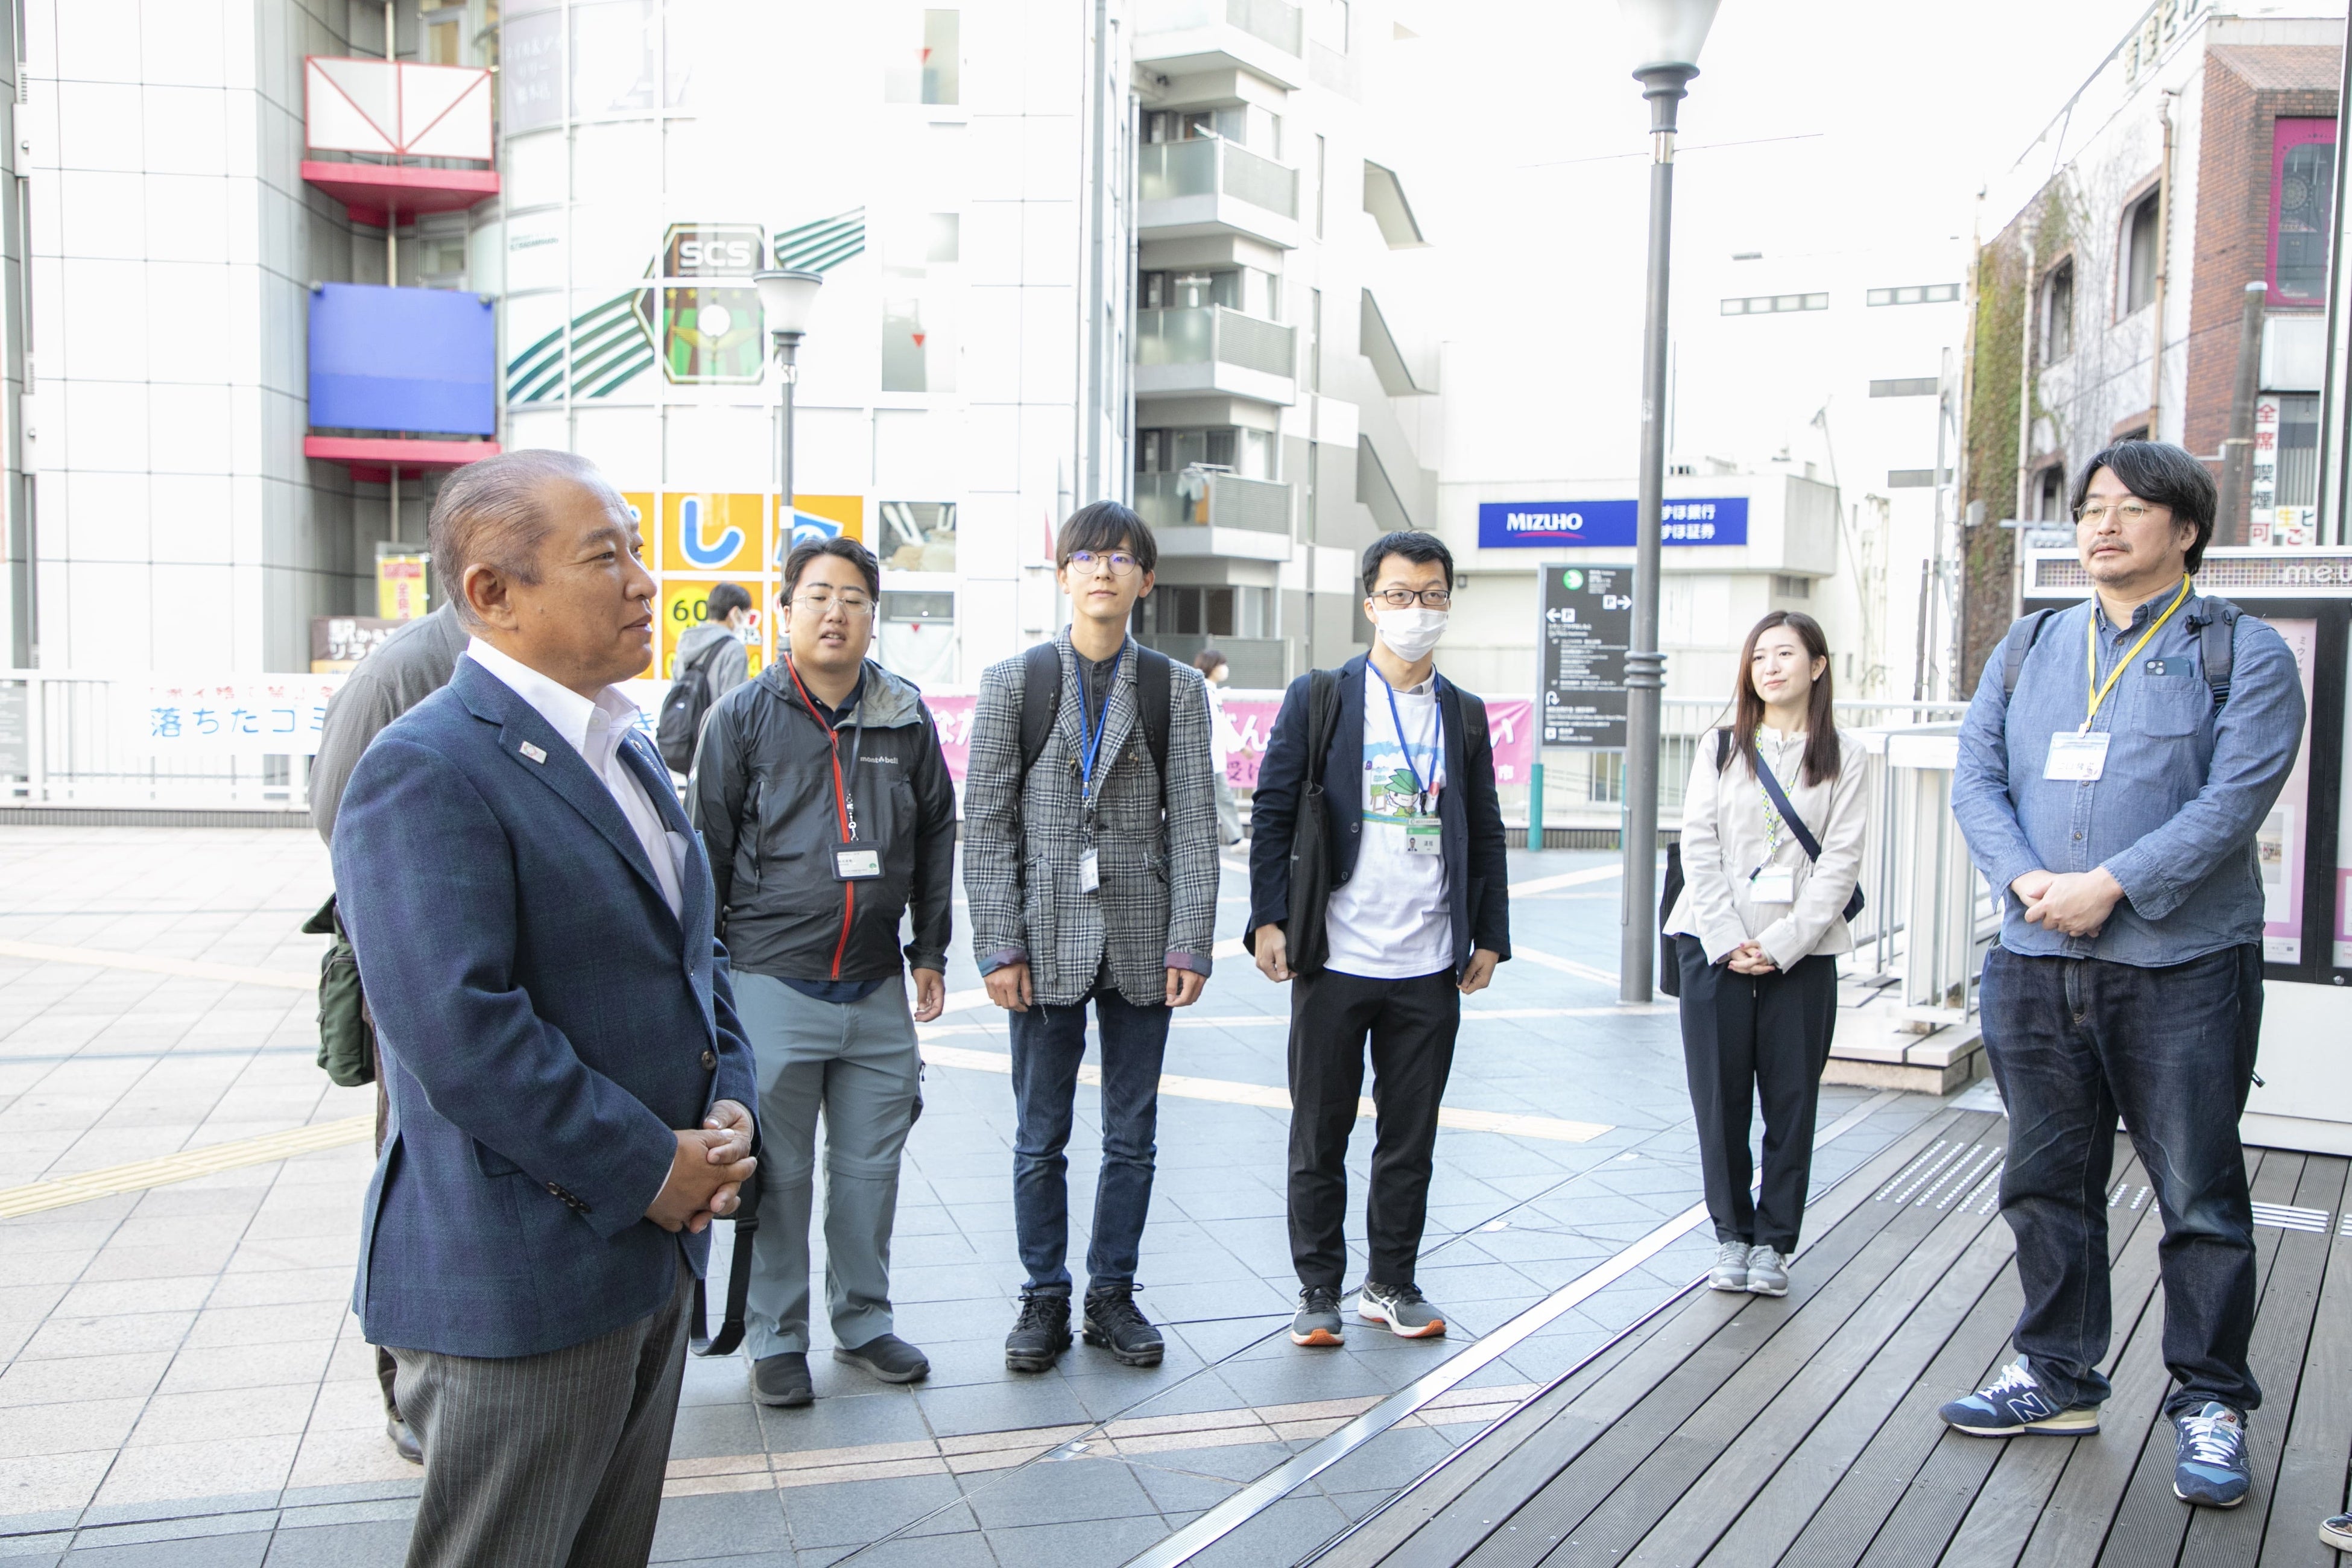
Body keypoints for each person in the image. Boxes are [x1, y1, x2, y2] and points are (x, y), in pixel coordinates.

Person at [332, 449, 759, 1568]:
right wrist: (649, 1167)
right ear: (491, 594)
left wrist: (730, 1104)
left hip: (649, 1258)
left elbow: (693, 957)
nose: (642, 580)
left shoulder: (621, 745)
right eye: (603, 555)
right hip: (526, 1277)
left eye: (638, 548)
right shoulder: (426, 768)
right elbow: (459, 1034)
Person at [1944, 440, 2304, 1513]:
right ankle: (2056, 1372)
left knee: (2198, 1192)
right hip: (2034, 957)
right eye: (2090, 507)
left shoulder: (2243, 653)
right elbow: (1977, 776)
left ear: (2185, 529)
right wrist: (2026, 882)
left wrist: (2109, 882)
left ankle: (2209, 1398)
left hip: (2181, 964)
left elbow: (2234, 801)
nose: (2102, 525)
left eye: (2130, 508)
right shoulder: (2030, 644)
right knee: (2045, 1184)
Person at [688, 536, 956, 1409]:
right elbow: (710, 852)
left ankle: (865, 1320)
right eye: (817, 596)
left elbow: (937, 840)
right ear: (785, 610)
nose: (835, 612)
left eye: (853, 597)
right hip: (770, 977)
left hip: (876, 980)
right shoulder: (742, 717)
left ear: (875, 616)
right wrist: (711, 979)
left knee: (871, 1171)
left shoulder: (906, 718)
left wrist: (930, 951)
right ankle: (777, 1337)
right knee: (782, 1172)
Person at [961, 501, 1220, 1373]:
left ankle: (1112, 1293)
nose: (1102, 569)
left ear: (1146, 580)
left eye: (1121, 557)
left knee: (1133, 1135)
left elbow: (1192, 825)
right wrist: (998, 946)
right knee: (1040, 1136)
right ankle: (1043, 1296)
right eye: (1086, 556)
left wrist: (1192, 942)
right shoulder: (1015, 683)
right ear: (1062, 574)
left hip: (1145, 939)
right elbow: (987, 826)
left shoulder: (1175, 688)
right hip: (1042, 941)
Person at [1246, 530, 1510, 1349]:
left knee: (1411, 1136)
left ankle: (1390, 1281)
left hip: (1430, 962)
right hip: (1336, 954)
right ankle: (1317, 1287)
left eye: (1431, 595)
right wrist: (1267, 919)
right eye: (1399, 595)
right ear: (1369, 604)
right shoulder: (1321, 697)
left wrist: (1490, 935)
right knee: (1319, 1132)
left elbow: (1488, 831)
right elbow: (1274, 810)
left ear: (1448, 603)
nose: (1415, 610)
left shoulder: (1463, 714)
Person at [309, 592, 468, 1466]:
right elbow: (341, 815)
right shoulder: (401, 669)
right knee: (412, 1179)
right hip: (414, 976)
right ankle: (402, 1389)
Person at [1665, 611, 1864, 1300]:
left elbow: (1840, 866)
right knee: (1718, 1100)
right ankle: (1732, 1236)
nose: (1770, 667)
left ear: (1817, 665)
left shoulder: (1847, 755)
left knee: (1791, 1099)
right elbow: (1698, 845)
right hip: (1713, 947)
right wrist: (1727, 940)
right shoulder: (1719, 746)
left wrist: (1780, 946)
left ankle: (1775, 1241)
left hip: (1802, 956)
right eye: (1759, 657)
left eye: (1786, 654)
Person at [1194, 646, 1245, 846]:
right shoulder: (1207, 692)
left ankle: (1235, 839)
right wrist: (1241, 746)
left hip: (1211, 758)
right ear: (1212, 667)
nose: (1225, 669)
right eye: (1222, 664)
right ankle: (1236, 839)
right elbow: (1221, 725)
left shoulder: (1209, 691)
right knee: (1223, 798)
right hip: (1209, 758)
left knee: (1217, 799)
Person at [673, 581, 754, 701]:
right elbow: (733, 704)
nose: (746, 622)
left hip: (682, 719)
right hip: (714, 720)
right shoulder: (734, 649)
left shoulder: (687, 639)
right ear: (735, 613)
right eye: (747, 615)